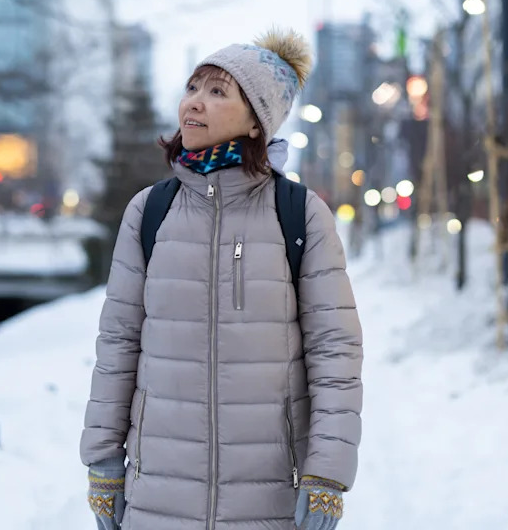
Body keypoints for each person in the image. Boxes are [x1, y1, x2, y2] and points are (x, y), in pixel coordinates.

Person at [80, 28, 363, 530]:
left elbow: (335, 353)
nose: (194, 103)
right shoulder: (150, 211)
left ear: (257, 122)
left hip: (270, 494)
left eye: (217, 92)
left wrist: (327, 477)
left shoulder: (299, 214)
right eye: (193, 87)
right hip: (159, 493)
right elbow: (119, 339)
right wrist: (103, 461)